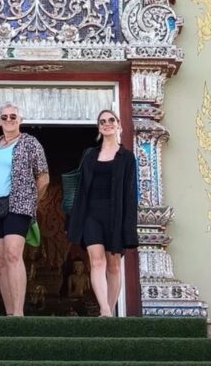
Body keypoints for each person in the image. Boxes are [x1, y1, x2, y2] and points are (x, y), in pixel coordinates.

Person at [66, 109, 139, 317]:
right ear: (99, 127)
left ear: (118, 125)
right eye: (102, 121)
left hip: (116, 215)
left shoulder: (127, 157)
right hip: (91, 214)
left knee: (114, 265)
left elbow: (130, 194)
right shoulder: (90, 155)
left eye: (111, 120)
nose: (107, 124)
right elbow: (81, 187)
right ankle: (105, 309)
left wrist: (128, 226)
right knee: (97, 260)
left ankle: (111, 306)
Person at [0, 103, 49, 316]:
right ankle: (9, 314)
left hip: (18, 205)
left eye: (13, 116)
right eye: (4, 116)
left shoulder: (30, 142)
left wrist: (31, 202)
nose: (9, 119)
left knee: (12, 254)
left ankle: (19, 313)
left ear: (20, 120)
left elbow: (44, 177)